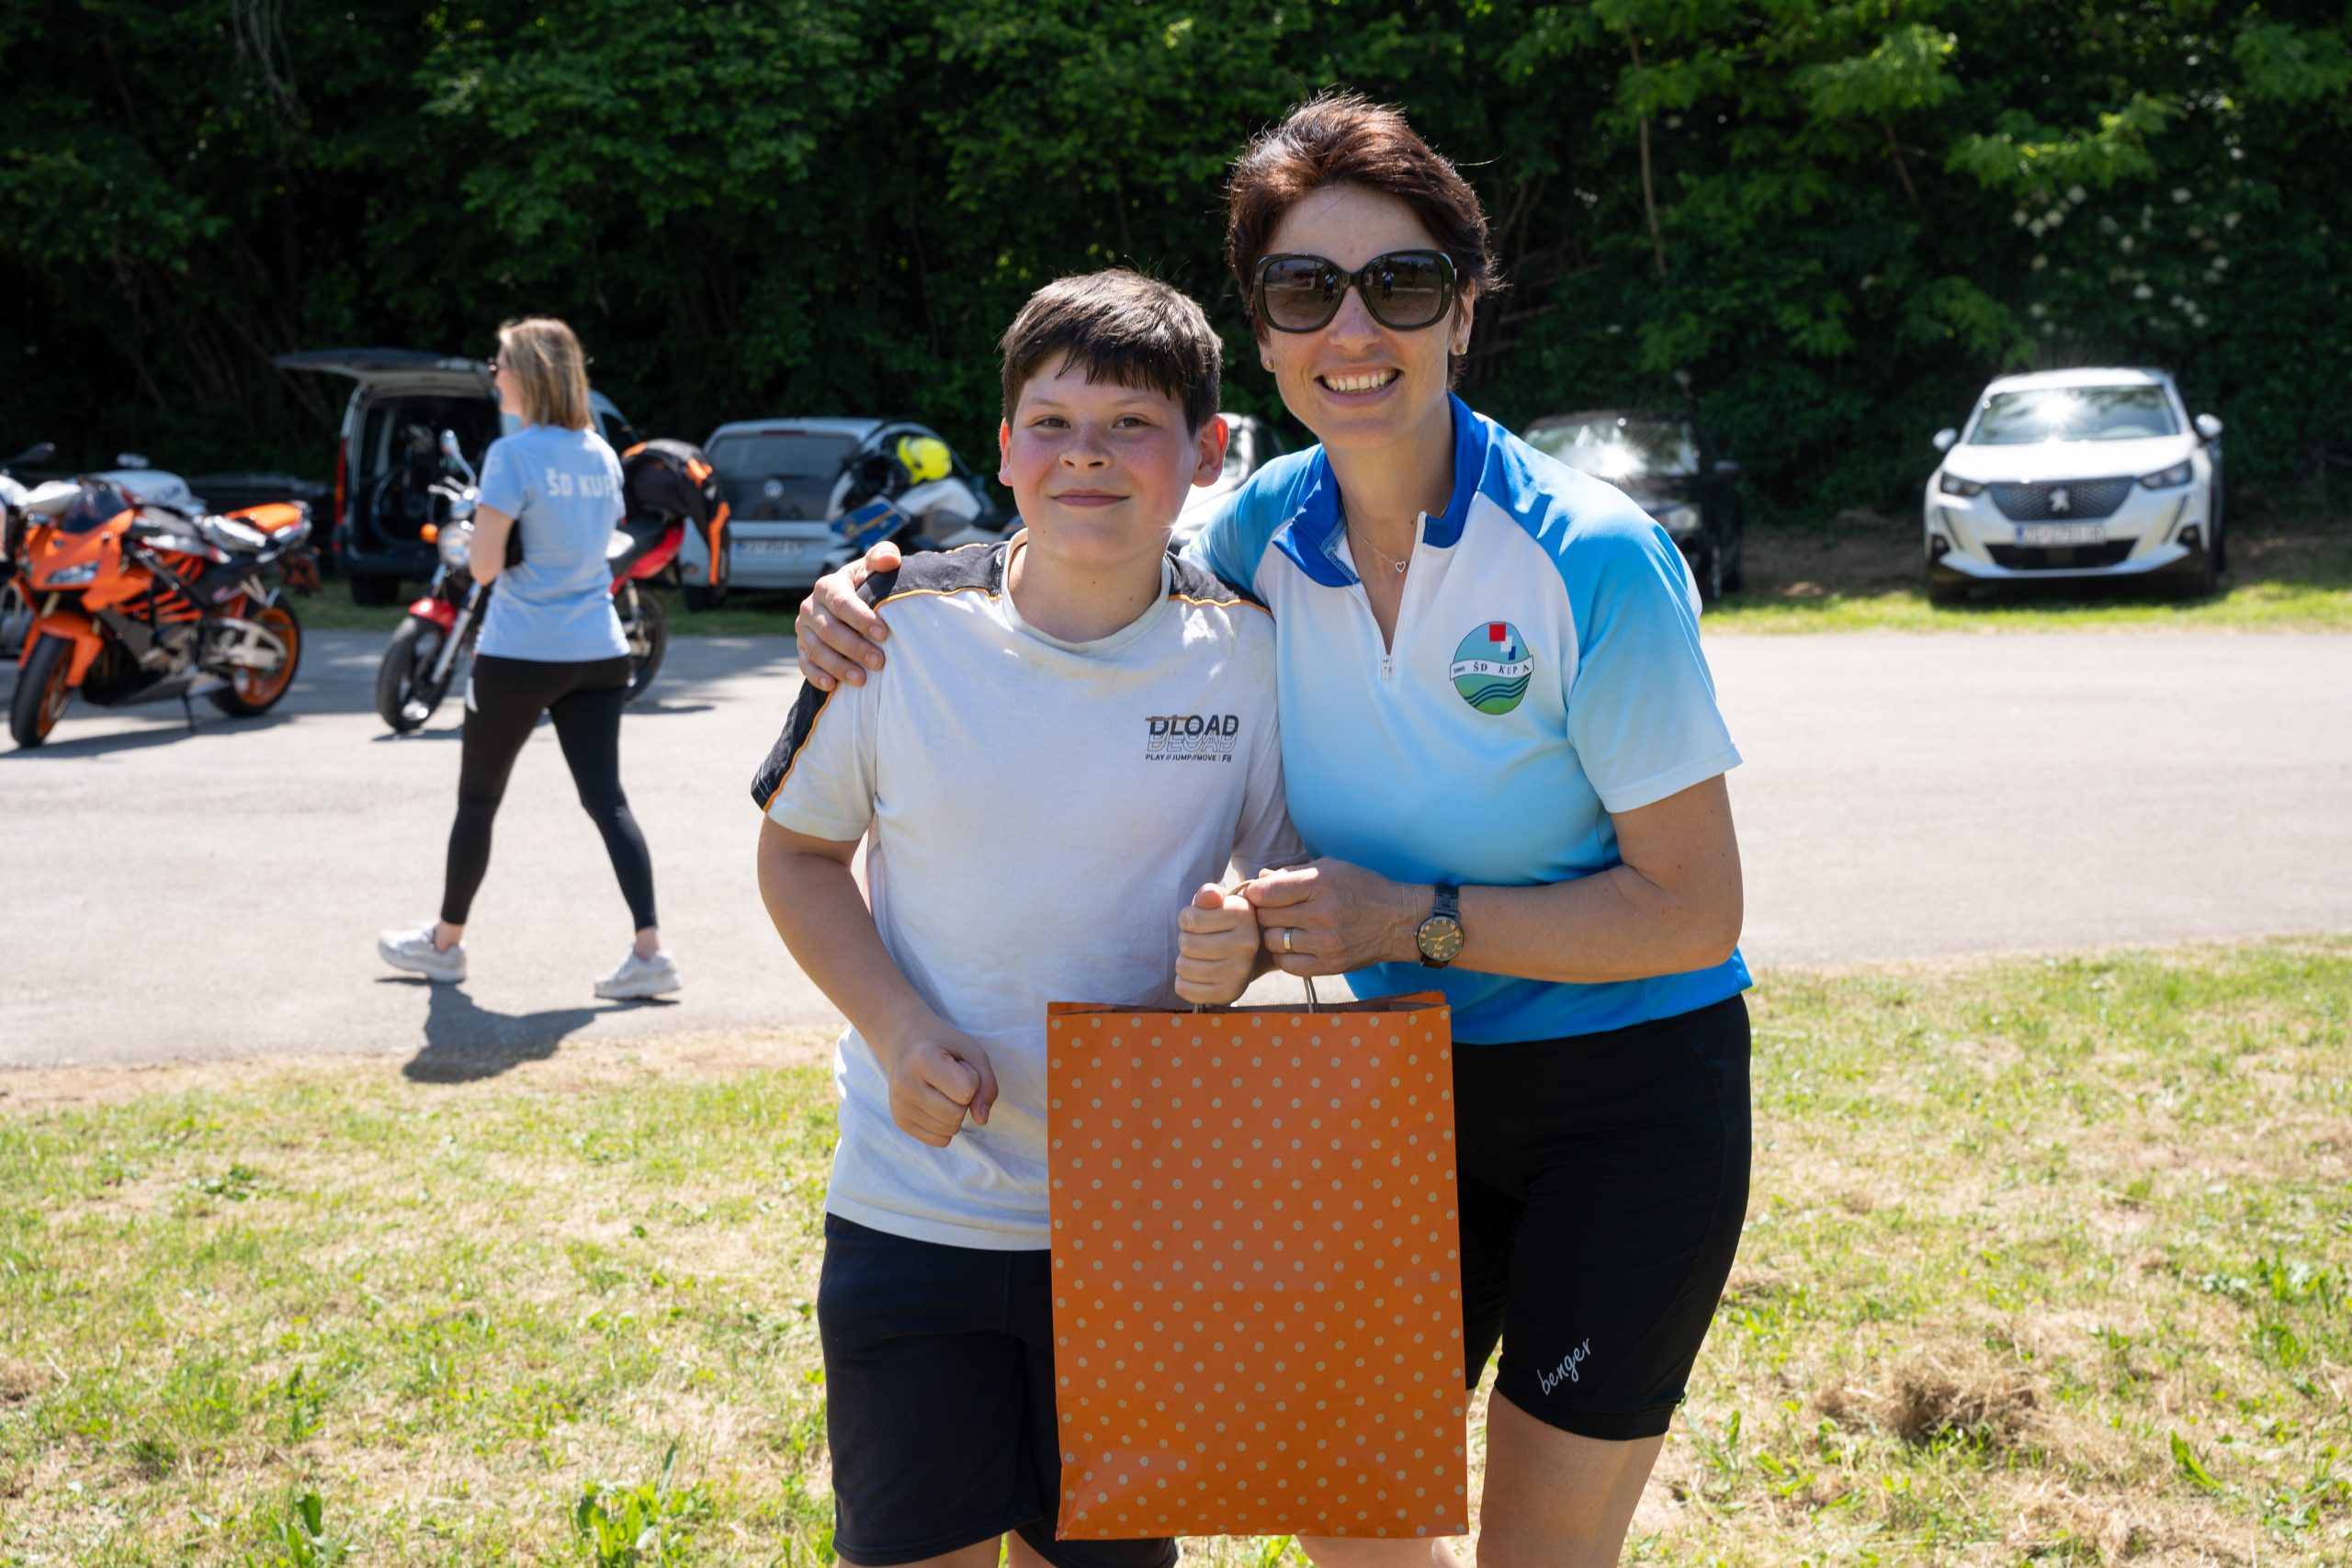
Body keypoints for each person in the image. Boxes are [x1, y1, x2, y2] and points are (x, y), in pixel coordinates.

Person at [796, 95, 1750, 1568]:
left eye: (1401, 284)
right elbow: (1078, 546)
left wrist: (1413, 917)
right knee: (1344, 1514)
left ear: (1464, 310)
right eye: (1307, 289)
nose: (1353, 327)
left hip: (1624, 1097)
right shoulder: (1255, 536)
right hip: (1390, 1097)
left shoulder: (1592, 555)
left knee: (1543, 1546)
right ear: (1267, 330)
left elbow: (1693, 907)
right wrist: (875, 591)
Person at [753, 270, 1299, 1568]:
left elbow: (1289, 895)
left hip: (1139, 1225)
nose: (1085, 455)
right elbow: (800, 855)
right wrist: (898, 1030)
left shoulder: (1251, 655)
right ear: (1003, 449)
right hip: (912, 1210)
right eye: (1051, 422)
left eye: (1132, 425)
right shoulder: (891, 631)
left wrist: (1248, 943)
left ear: (1206, 453)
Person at [378, 315, 679, 1000]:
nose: (494, 375)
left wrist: (483, 532)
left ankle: (445, 945)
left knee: (478, 800)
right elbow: (595, 545)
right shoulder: (601, 454)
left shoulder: (510, 456)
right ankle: (651, 952)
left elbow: (483, 568)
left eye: (501, 363)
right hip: (598, 650)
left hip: (519, 652)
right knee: (608, 801)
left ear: (530, 375)